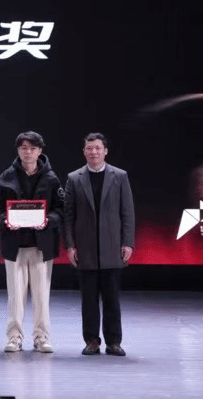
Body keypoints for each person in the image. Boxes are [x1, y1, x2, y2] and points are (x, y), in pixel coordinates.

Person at [63, 132, 136, 357]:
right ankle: (92, 341)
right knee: (89, 300)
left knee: (112, 299)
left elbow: (127, 212)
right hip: (84, 249)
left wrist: (128, 243)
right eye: (89, 148)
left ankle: (114, 342)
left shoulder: (120, 176)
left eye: (97, 148)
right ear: (84, 152)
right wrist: (70, 245)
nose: (93, 152)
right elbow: (68, 216)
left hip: (113, 247)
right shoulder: (74, 178)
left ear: (105, 151)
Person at [0, 131, 63, 353]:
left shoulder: (51, 178)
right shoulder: (6, 177)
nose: (28, 152)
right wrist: (5, 221)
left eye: (32, 148)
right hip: (15, 245)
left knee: (41, 296)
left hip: (42, 246)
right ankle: (14, 337)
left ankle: (41, 337)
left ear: (40, 151)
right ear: (18, 150)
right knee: (15, 297)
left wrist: (48, 220)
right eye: (23, 148)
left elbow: (60, 209)